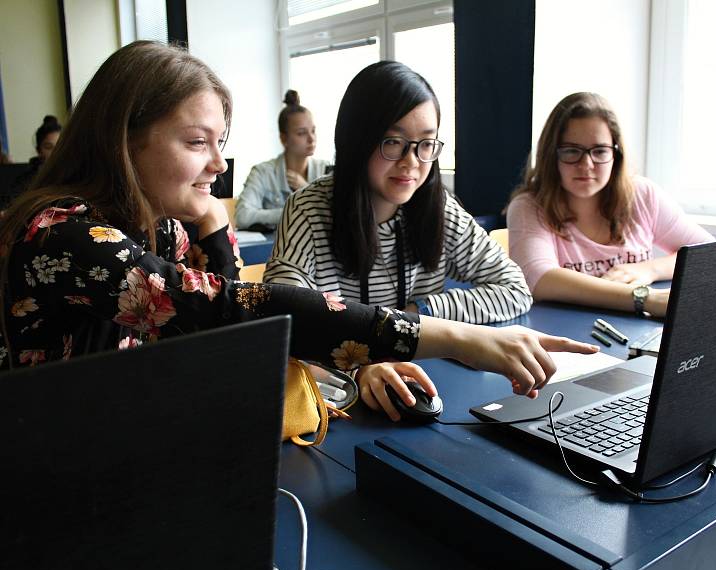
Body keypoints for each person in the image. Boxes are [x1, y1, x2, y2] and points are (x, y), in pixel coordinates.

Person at [0, 41, 598, 420]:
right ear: (123, 140)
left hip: (135, 439)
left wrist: (211, 227)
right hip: (56, 474)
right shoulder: (64, 236)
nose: (218, 166)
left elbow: (225, 342)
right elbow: (252, 311)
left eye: (221, 145)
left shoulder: (160, 230)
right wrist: (456, 336)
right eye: (196, 143)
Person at [263, 61, 535, 419]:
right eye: (393, 142)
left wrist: (418, 317)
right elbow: (284, 323)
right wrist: (359, 367)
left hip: (431, 382)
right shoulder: (308, 210)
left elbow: (515, 288)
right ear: (357, 140)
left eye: (425, 144)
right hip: (337, 410)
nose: (411, 161)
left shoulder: (437, 207)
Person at [507, 92, 713, 317]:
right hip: (568, 336)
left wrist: (649, 269)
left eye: (599, 151)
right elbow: (539, 278)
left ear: (616, 154)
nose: (586, 164)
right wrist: (642, 298)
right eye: (572, 151)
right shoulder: (529, 207)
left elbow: (708, 254)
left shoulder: (643, 195)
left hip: (637, 331)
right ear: (552, 155)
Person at [234, 90, 330, 231]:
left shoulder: (325, 169)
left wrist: (306, 190)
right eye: (301, 133)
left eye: (313, 131)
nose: (311, 138)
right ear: (283, 138)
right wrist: (293, 211)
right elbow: (242, 216)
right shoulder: (262, 172)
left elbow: (336, 214)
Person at [12, 115, 63, 195]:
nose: (55, 152)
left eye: (60, 146)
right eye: (48, 147)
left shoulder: (74, 176)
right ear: (39, 151)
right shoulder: (25, 182)